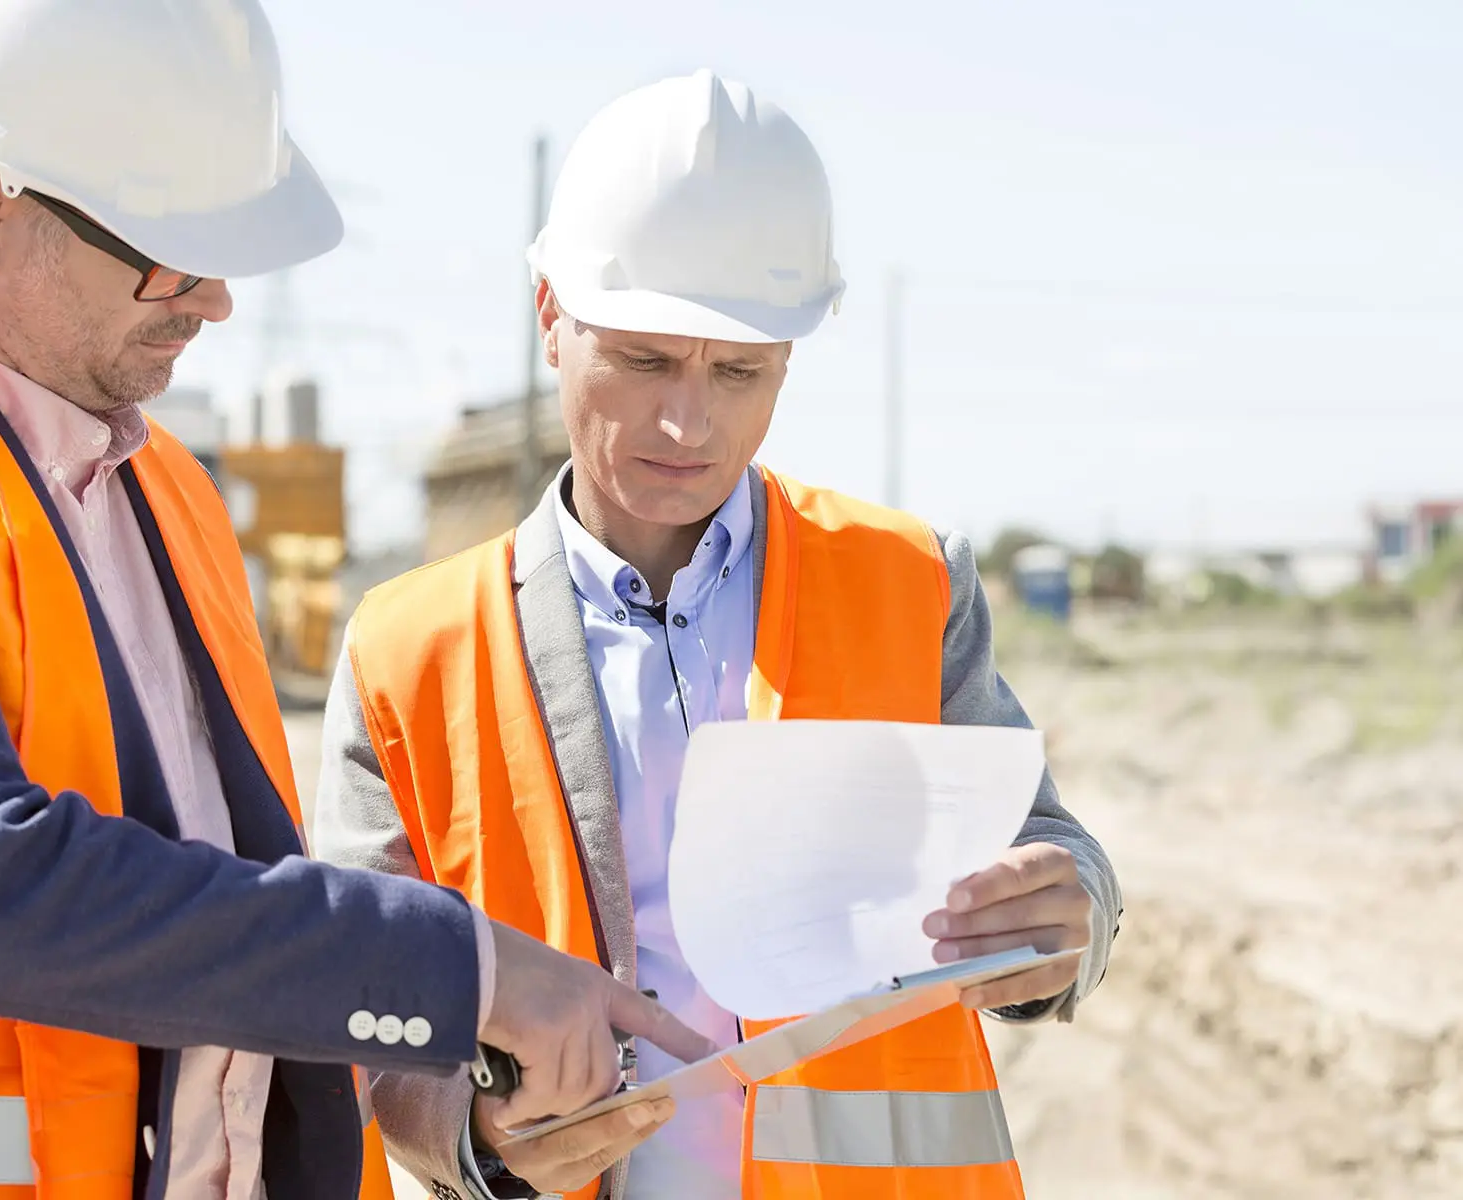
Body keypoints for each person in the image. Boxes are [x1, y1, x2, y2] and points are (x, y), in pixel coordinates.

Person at [0, 4, 709, 1198]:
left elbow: (221, 926)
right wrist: (461, 972)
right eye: (169, 255)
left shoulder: (171, 496)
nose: (213, 303)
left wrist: (471, 1106)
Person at [314, 69, 1123, 1200]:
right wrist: (478, 1133)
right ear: (552, 314)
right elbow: (351, 1003)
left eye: (739, 373)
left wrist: (1068, 909)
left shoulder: (908, 580)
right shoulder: (406, 650)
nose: (690, 422)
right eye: (644, 360)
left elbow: (1050, 850)